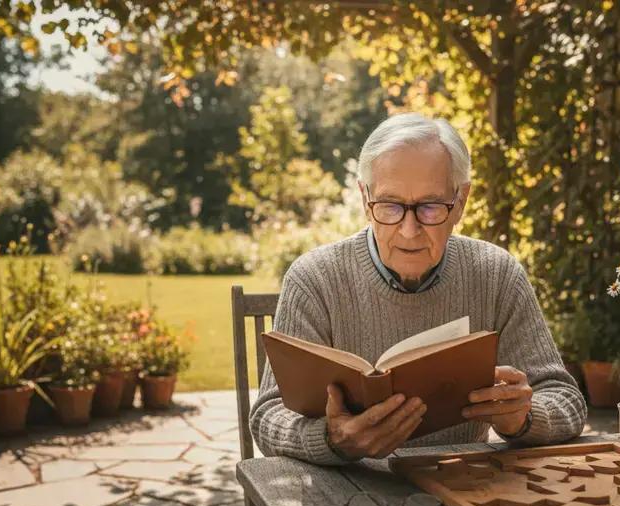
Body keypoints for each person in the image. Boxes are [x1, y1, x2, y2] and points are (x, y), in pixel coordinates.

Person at [250, 113, 586, 465]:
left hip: (468, 487)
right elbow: (269, 417)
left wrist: (524, 418)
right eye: (390, 206)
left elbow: (566, 400)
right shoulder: (315, 279)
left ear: (460, 202)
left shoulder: (496, 274)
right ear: (366, 200)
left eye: (430, 207)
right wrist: (333, 439)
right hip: (349, 494)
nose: (409, 231)